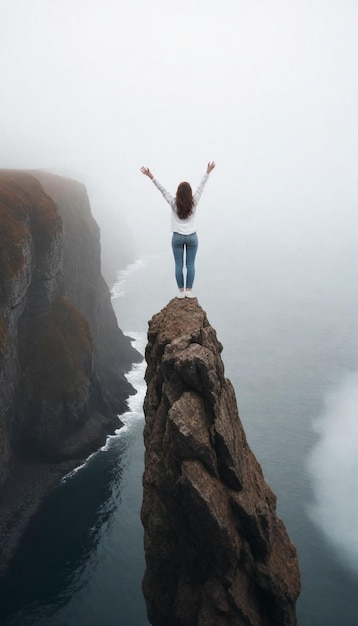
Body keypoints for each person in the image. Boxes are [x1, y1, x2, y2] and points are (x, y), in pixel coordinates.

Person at [140, 161, 216, 298]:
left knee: (179, 265)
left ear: (178, 193)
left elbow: (162, 190)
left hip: (177, 238)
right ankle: (189, 290)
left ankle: (181, 291)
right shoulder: (195, 201)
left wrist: (151, 176)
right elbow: (201, 187)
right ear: (190, 193)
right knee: (191, 264)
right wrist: (208, 172)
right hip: (192, 237)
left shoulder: (173, 202)